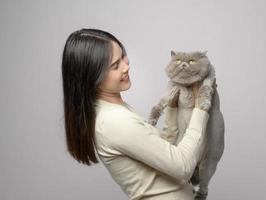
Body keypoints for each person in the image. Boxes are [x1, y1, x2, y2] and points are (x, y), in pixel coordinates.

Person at [61, 28, 216, 200]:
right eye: (115, 65)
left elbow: (161, 152)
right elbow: (183, 166)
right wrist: (201, 106)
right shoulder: (114, 121)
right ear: (91, 77)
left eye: (123, 56)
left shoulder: (115, 109)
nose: (126, 66)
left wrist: (172, 109)